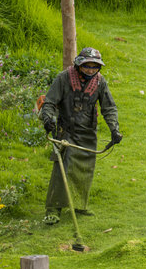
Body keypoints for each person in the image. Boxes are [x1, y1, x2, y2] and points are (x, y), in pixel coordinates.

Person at [40, 47, 122, 225]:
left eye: (94, 67)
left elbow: (109, 108)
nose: (90, 70)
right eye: (87, 66)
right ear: (78, 65)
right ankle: (53, 210)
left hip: (88, 132)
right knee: (62, 169)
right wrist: (48, 119)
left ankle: (79, 205)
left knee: (85, 170)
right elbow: (50, 102)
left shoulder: (101, 82)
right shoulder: (63, 78)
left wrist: (114, 129)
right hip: (65, 131)